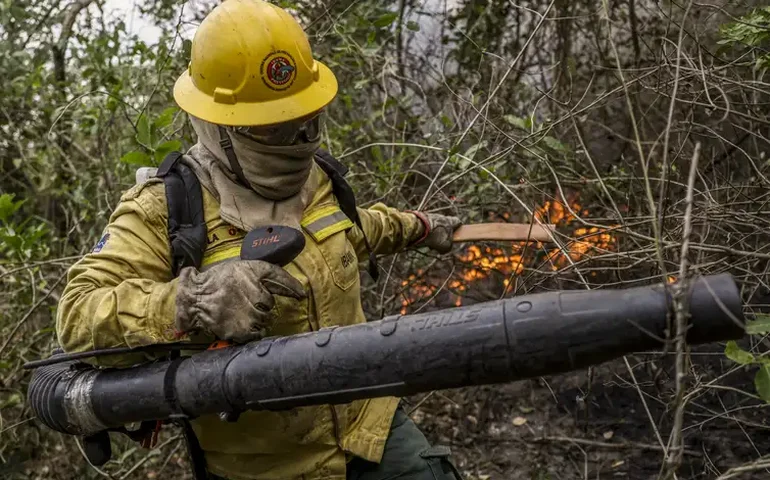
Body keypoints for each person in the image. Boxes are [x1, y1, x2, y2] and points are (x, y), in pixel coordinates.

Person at [55, 1, 463, 479]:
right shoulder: (162, 208)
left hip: (368, 426)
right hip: (266, 466)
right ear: (220, 125)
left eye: (302, 120)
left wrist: (423, 226)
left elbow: (355, 229)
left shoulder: (319, 180)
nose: (295, 138)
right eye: (273, 127)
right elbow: (78, 314)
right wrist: (192, 301)